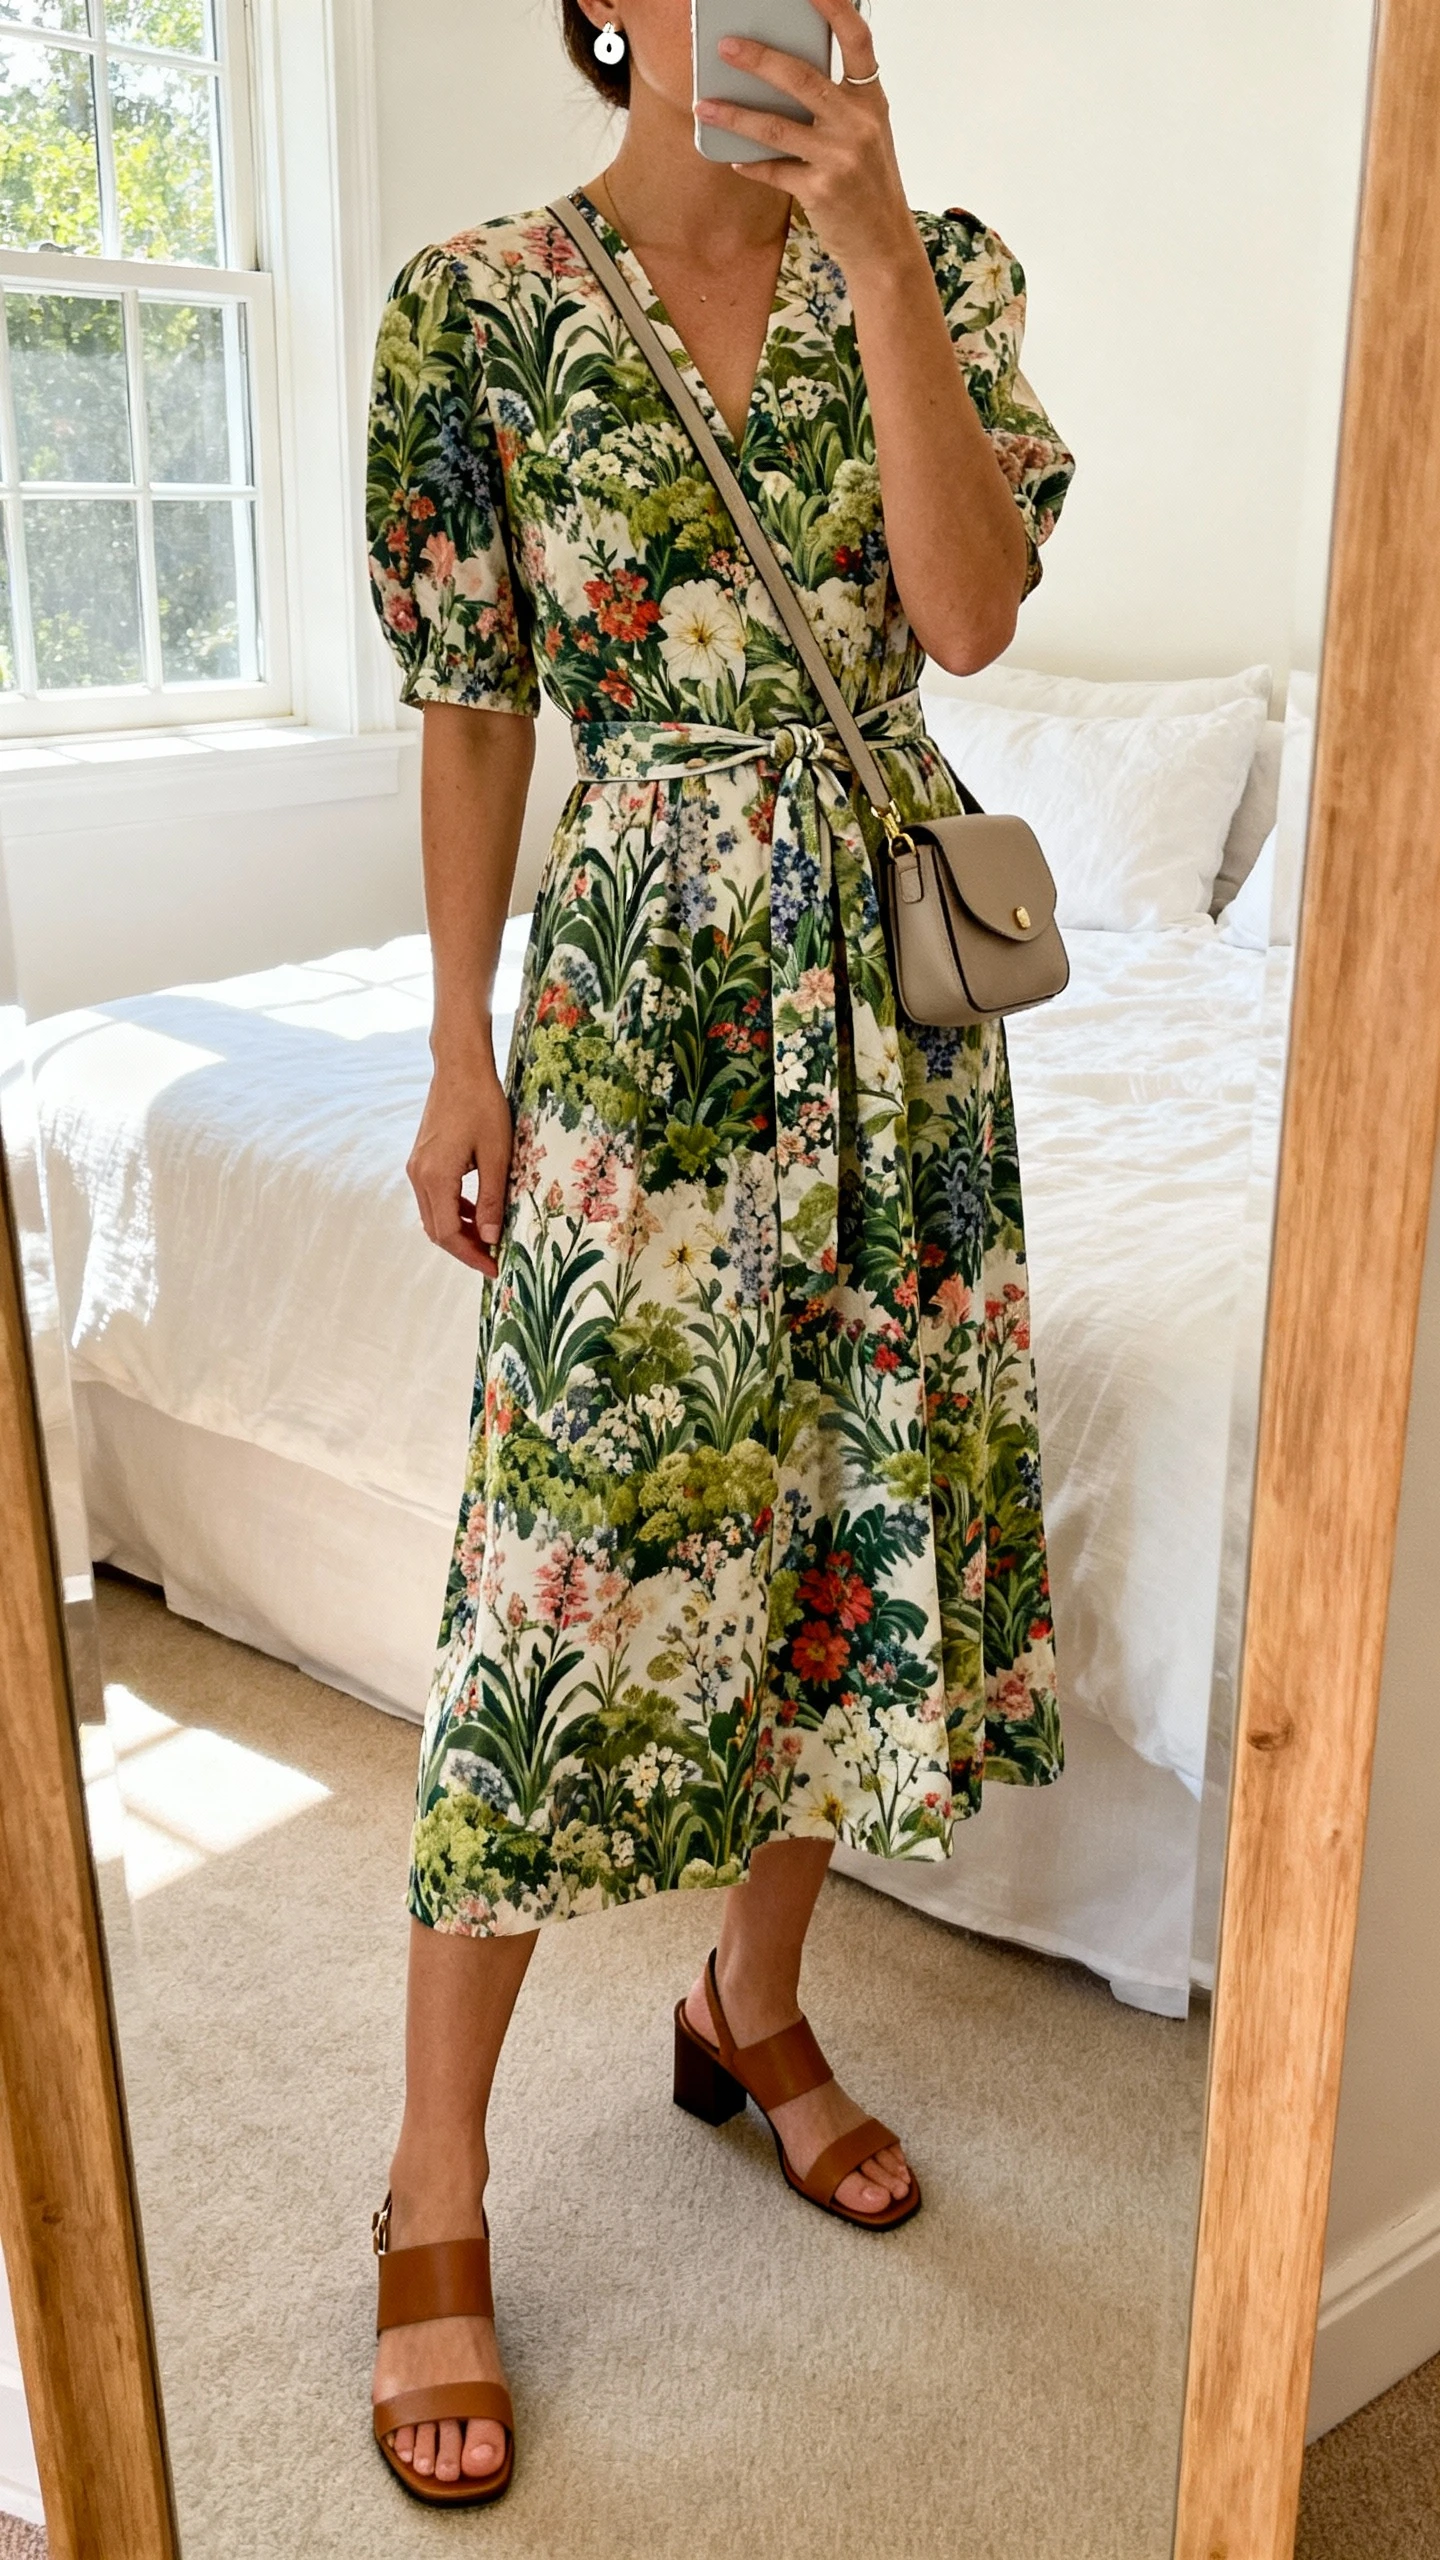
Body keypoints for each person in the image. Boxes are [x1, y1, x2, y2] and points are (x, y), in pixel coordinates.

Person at [364, 0, 1074, 2503]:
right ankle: (430, 2180)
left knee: (838, 1544)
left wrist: (875, 249)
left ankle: (746, 1998)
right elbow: (472, 709)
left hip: (890, 1018)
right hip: (640, 994)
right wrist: (458, 1039)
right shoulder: (482, 304)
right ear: (605, 9)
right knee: (551, 1586)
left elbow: (965, 628)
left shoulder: (949, 272)